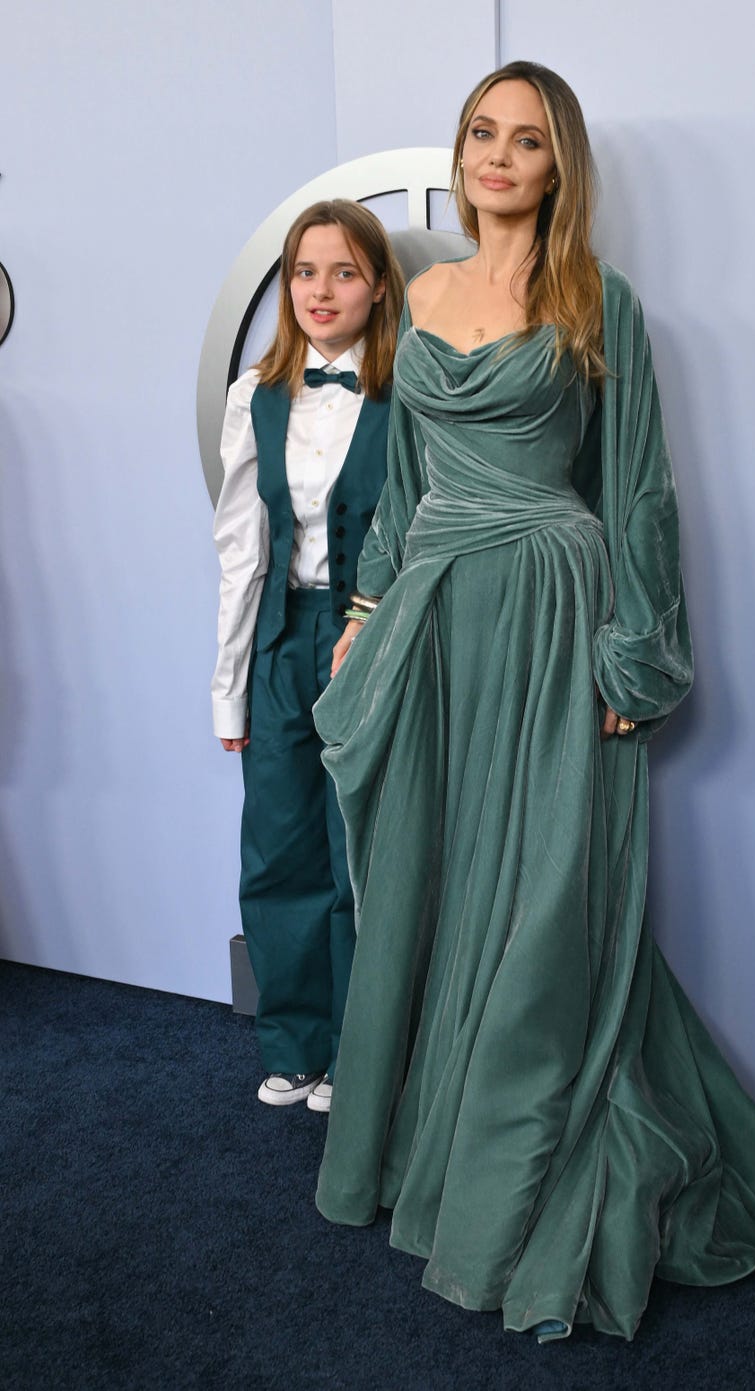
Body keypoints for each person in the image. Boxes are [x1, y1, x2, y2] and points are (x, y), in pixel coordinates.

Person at [312, 63, 755, 1339]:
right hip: (439, 619)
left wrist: (633, 659)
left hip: (552, 612)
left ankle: (521, 1155)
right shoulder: (420, 293)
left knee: (547, 898)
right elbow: (400, 483)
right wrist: (366, 610)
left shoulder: (600, 301)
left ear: (560, 165)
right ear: (461, 151)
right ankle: (419, 1143)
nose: (497, 156)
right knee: (433, 872)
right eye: (481, 134)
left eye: (526, 140)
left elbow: (639, 489)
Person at [211, 200, 404, 1110]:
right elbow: (241, 549)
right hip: (286, 636)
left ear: (378, 286)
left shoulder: (409, 387)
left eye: (343, 272)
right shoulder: (257, 394)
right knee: (279, 844)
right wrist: (230, 689)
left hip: (374, 633)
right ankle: (295, 1046)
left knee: (357, 850)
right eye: (303, 272)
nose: (320, 291)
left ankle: (363, 1054)